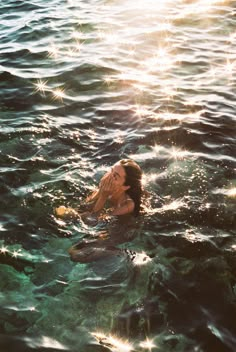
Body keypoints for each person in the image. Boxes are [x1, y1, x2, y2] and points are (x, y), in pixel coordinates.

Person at [55, 159, 143, 220]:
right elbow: (84, 206)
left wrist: (103, 196)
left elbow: (94, 220)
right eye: (111, 171)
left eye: (115, 176)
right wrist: (100, 191)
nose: (109, 177)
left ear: (125, 186)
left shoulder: (128, 205)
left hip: (120, 227)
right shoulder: (109, 187)